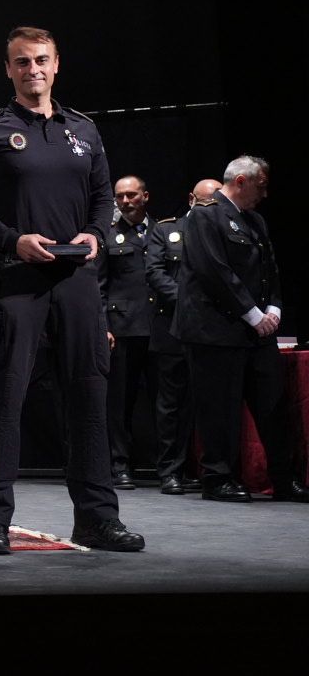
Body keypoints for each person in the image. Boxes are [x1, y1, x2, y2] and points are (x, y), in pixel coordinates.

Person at [0, 26, 144, 553]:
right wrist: (13, 240)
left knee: (89, 397)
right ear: (9, 69)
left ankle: (97, 519)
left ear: (56, 64)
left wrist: (96, 234)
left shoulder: (84, 130)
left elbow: (103, 198)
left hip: (79, 282)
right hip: (17, 280)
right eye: (21, 62)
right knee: (7, 399)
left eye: (41, 60)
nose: (32, 70)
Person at [173, 156, 309, 503]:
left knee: (272, 406)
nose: (265, 194)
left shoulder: (255, 221)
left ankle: (283, 478)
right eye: (261, 186)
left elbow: (270, 268)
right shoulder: (204, 216)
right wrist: (253, 314)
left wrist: (274, 307)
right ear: (242, 182)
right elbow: (214, 272)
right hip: (215, 332)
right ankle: (218, 479)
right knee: (219, 409)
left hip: (256, 330)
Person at [144, 178, 220, 494]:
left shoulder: (223, 231)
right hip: (173, 326)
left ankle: (208, 471)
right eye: (205, 203)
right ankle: (170, 471)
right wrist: (190, 301)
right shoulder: (165, 230)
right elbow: (155, 273)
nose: (210, 210)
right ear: (191, 200)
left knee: (207, 402)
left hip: (212, 329)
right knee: (170, 404)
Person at [100, 175, 157, 488]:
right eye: (120, 197)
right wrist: (104, 326)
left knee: (166, 401)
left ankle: (169, 468)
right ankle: (120, 465)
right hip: (122, 327)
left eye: (131, 195)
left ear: (145, 196)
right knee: (120, 402)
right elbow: (100, 285)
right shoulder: (109, 235)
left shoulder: (162, 231)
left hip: (159, 327)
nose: (125, 201)